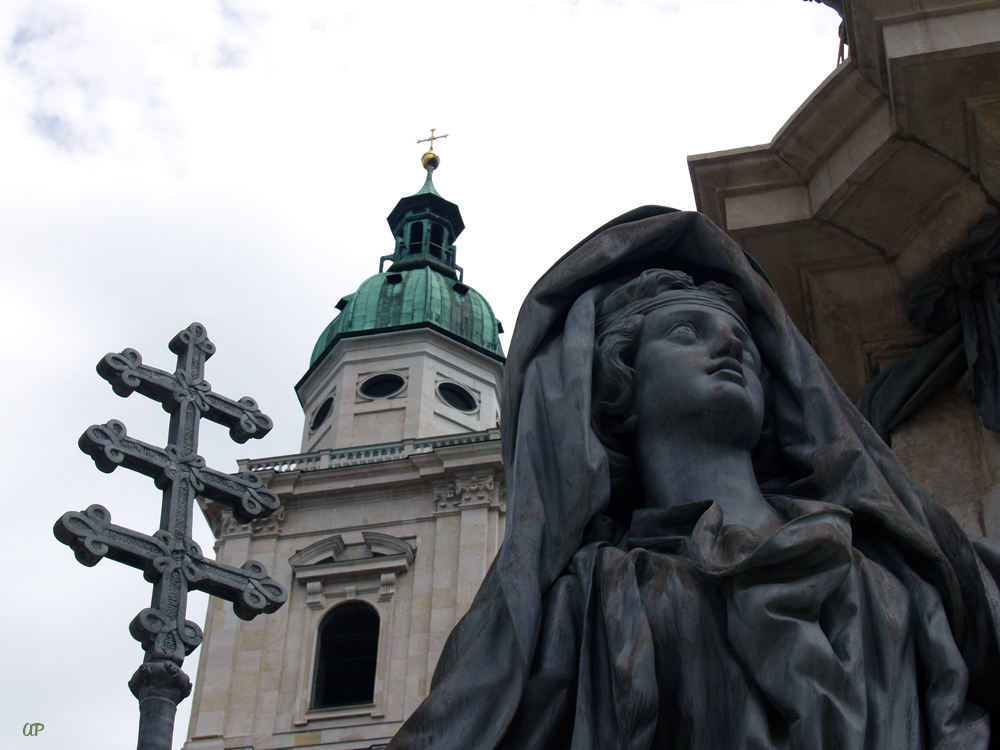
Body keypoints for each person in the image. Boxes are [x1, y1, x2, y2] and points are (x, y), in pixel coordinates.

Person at [388, 207, 1000, 750]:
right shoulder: (588, 599)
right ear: (616, 384)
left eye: (744, 343)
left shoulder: (888, 579)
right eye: (688, 332)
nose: (730, 347)